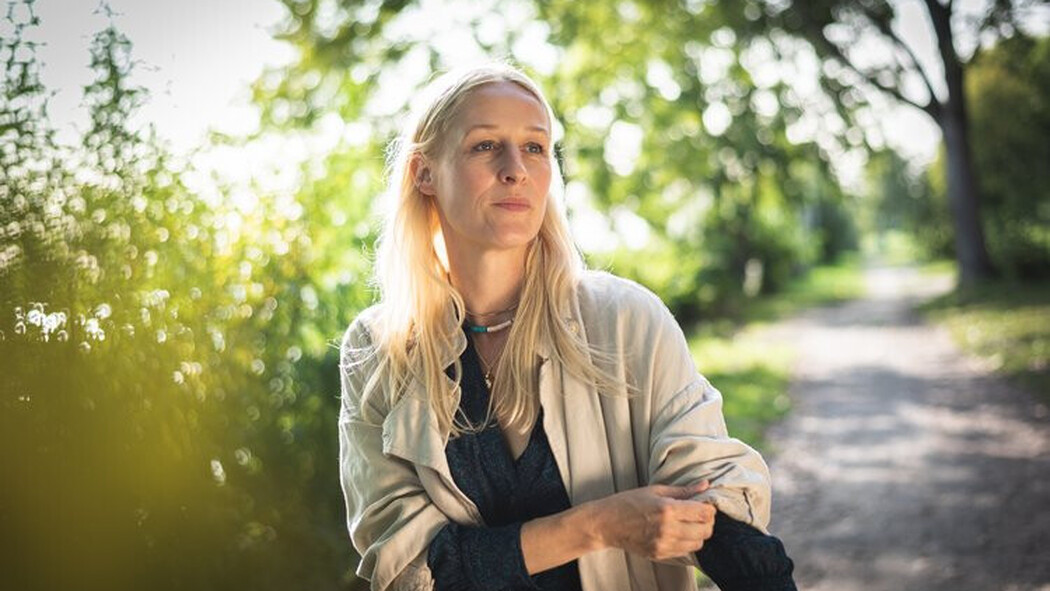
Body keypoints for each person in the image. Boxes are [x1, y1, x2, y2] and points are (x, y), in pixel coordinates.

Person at [337, 61, 796, 591]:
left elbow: (713, 502)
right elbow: (408, 568)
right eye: (485, 146)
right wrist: (598, 526)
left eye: (535, 147)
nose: (516, 169)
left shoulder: (625, 320)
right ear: (424, 173)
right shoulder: (378, 349)